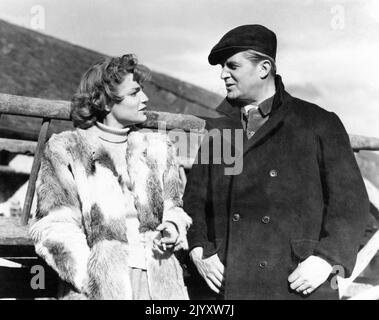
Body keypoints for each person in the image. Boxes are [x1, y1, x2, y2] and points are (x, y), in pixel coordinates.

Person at [183, 24, 370, 299]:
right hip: (227, 283)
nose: (223, 74)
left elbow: (350, 203)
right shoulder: (220, 130)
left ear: (264, 68)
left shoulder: (317, 123)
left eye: (232, 66)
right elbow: (196, 201)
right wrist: (199, 249)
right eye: (222, 67)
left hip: (294, 283)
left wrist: (326, 260)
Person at [30, 54, 192, 300]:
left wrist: (172, 226)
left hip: (160, 282)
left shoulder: (158, 148)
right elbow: (53, 227)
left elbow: (174, 207)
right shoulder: (67, 148)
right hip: (100, 287)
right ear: (104, 102)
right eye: (134, 93)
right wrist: (95, 280)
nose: (145, 99)